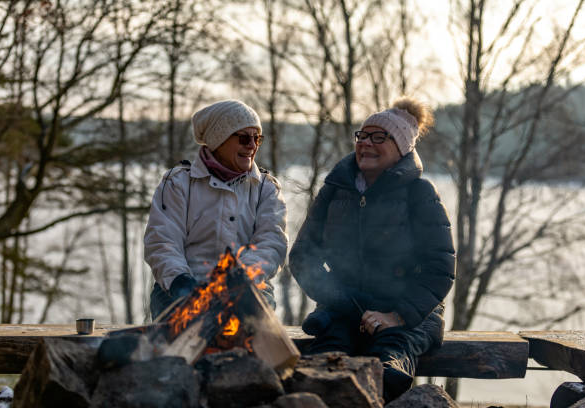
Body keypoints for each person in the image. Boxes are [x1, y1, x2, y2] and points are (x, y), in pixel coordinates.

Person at [289, 97, 455, 401]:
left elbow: (440, 268)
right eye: (362, 135)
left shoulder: (420, 194)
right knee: (321, 373)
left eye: (379, 137)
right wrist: (337, 299)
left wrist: (397, 316)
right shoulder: (335, 190)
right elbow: (302, 256)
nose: (366, 143)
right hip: (342, 308)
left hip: (404, 314)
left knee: (386, 374)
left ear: (402, 147)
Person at [144, 99, 288, 320]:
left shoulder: (266, 188)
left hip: (246, 291)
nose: (252, 145)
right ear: (218, 140)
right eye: (243, 138)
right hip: (181, 290)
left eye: (257, 138)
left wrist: (240, 281)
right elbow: (162, 241)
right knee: (179, 343)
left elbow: (271, 243)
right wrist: (181, 282)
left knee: (247, 340)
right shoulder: (178, 183)